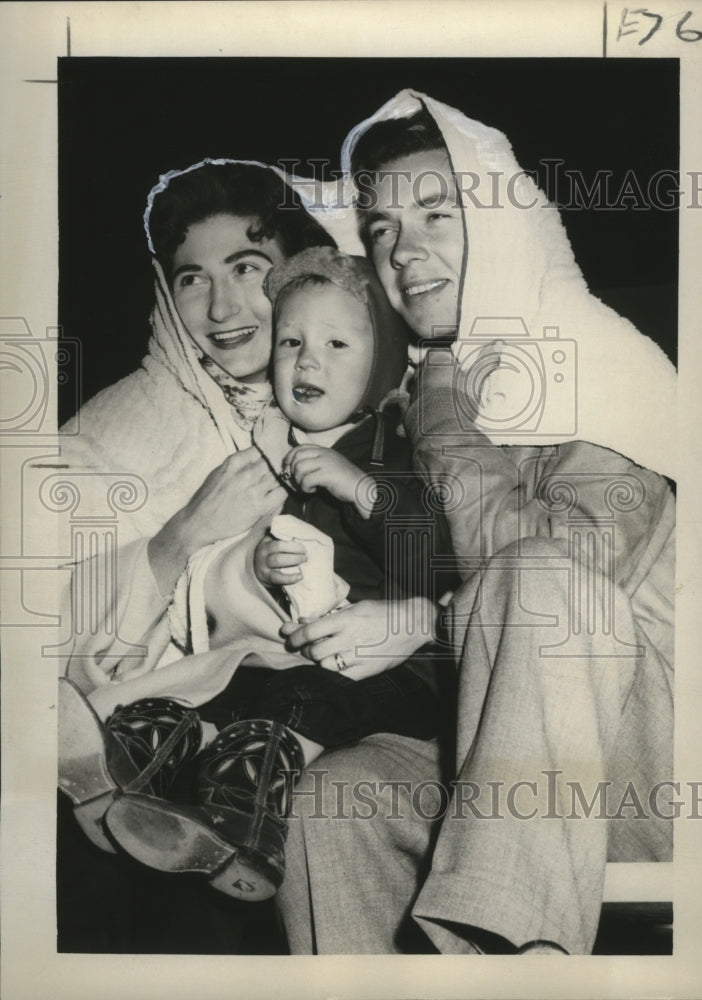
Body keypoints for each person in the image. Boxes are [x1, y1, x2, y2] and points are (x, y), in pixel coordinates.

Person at [264, 93, 676, 956]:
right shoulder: (427, 387)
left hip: (648, 775)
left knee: (542, 580)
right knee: (343, 795)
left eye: (437, 215)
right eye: (378, 229)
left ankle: (502, 967)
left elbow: (552, 579)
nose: (402, 251)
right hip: (513, 779)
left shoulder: (597, 356)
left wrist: (444, 409)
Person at [60, 247, 457, 903]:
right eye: (292, 341)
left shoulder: (392, 449)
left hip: (392, 673)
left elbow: (434, 554)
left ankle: (244, 827)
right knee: (225, 692)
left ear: (382, 361)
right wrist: (263, 564)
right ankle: (140, 762)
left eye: (336, 343)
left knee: (293, 704)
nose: (308, 360)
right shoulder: (279, 448)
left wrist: (363, 492)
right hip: (291, 654)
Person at [56, 159, 338, 951]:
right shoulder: (111, 432)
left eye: (247, 269)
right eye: (191, 279)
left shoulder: (345, 386)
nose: (222, 308)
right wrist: (184, 530)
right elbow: (57, 642)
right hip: (143, 751)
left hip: (306, 737)